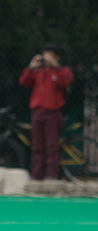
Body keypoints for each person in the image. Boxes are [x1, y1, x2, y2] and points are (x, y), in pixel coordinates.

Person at [19, 43, 74, 180]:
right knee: (37, 147)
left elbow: (65, 81)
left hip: (53, 113)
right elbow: (24, 82)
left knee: (52, 147)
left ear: (57, 57)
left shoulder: (62, 71)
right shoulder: (37, 71)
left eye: (50, 55)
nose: (46, 58)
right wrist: (31, 66)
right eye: (45, 54)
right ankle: (36, 175)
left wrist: (56, 66)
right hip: (37, 112)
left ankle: (51, 176)